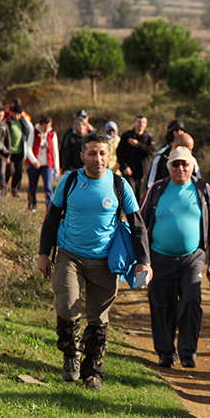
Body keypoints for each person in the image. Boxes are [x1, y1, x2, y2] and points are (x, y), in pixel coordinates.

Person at [37, 131, 151, 391]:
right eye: (92, 153)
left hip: (105, 260)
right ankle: (71, 357)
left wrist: (144, 261)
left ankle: (93, 373)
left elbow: (137, 225)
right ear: (82, 156)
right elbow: (52, 218)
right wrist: (44, 254)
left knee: (98, 318)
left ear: (109, 156)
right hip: (69, 255)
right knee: (67, 305)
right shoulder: (69, 182)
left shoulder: (120, 185)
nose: (97, 158)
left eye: (102, 153)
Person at [140, 145, 210, 369]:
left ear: (192, 166)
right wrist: (141, 258)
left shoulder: (203, 189)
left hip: (192, 257)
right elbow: (140, 224)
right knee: (161, 304)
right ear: (168, 167)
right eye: (175, 164)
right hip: (159, 257)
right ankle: (166, 352)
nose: (180, 168)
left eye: (184, 164)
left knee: (192, 299)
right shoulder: (157, 189)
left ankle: (188, 352)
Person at [117, 114, 156, 200]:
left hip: (142, 171)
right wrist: (124, 166)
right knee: (130, 193)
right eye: (139, 122)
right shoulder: (127, 135)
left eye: (143, 122)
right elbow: (119, 152)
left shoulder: (148, 136)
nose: (141, 124)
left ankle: (140, 212)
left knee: (141, 194)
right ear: (134, 123)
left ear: (146, 124)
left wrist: (138, 145)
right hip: (129, 170)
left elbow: (152, 151)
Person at [25, 113, 59, 211]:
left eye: (48, 127)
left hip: (47, 165)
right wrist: (34, 161)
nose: (46, 129)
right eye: (45, 127)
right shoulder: (34, 132)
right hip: (34, 165)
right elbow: (29, 149)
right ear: (40, 124)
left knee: (48, 187)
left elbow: (55, 151)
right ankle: (32, 206)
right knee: (32, 186)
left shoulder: (52, 134)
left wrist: (56, 166)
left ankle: (49, 208)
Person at [6, 99, 33, 196]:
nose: (16, 116)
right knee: (10, 170)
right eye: (15, 114)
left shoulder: (23, 123)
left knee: (18, 171)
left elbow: (31, 130)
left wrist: (24, 119)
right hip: (11, 151)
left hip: (20, 151)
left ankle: (15, 190)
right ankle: (4, 186)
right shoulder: (9, 122)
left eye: (18, 114)